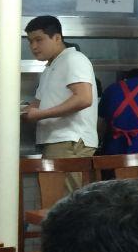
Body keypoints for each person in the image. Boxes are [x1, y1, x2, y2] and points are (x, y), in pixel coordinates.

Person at [23, 15, 99, 159]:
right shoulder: (50, 67)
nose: (33, 46)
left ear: (57, 38)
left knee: (62, 182)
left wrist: (40, 114)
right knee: (51, 182)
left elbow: (83, 99)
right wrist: (1, 118)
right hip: (57, 140)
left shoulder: (74, 59)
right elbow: (36, 105)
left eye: (39, 40)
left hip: (70, 140)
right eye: (30, 41)